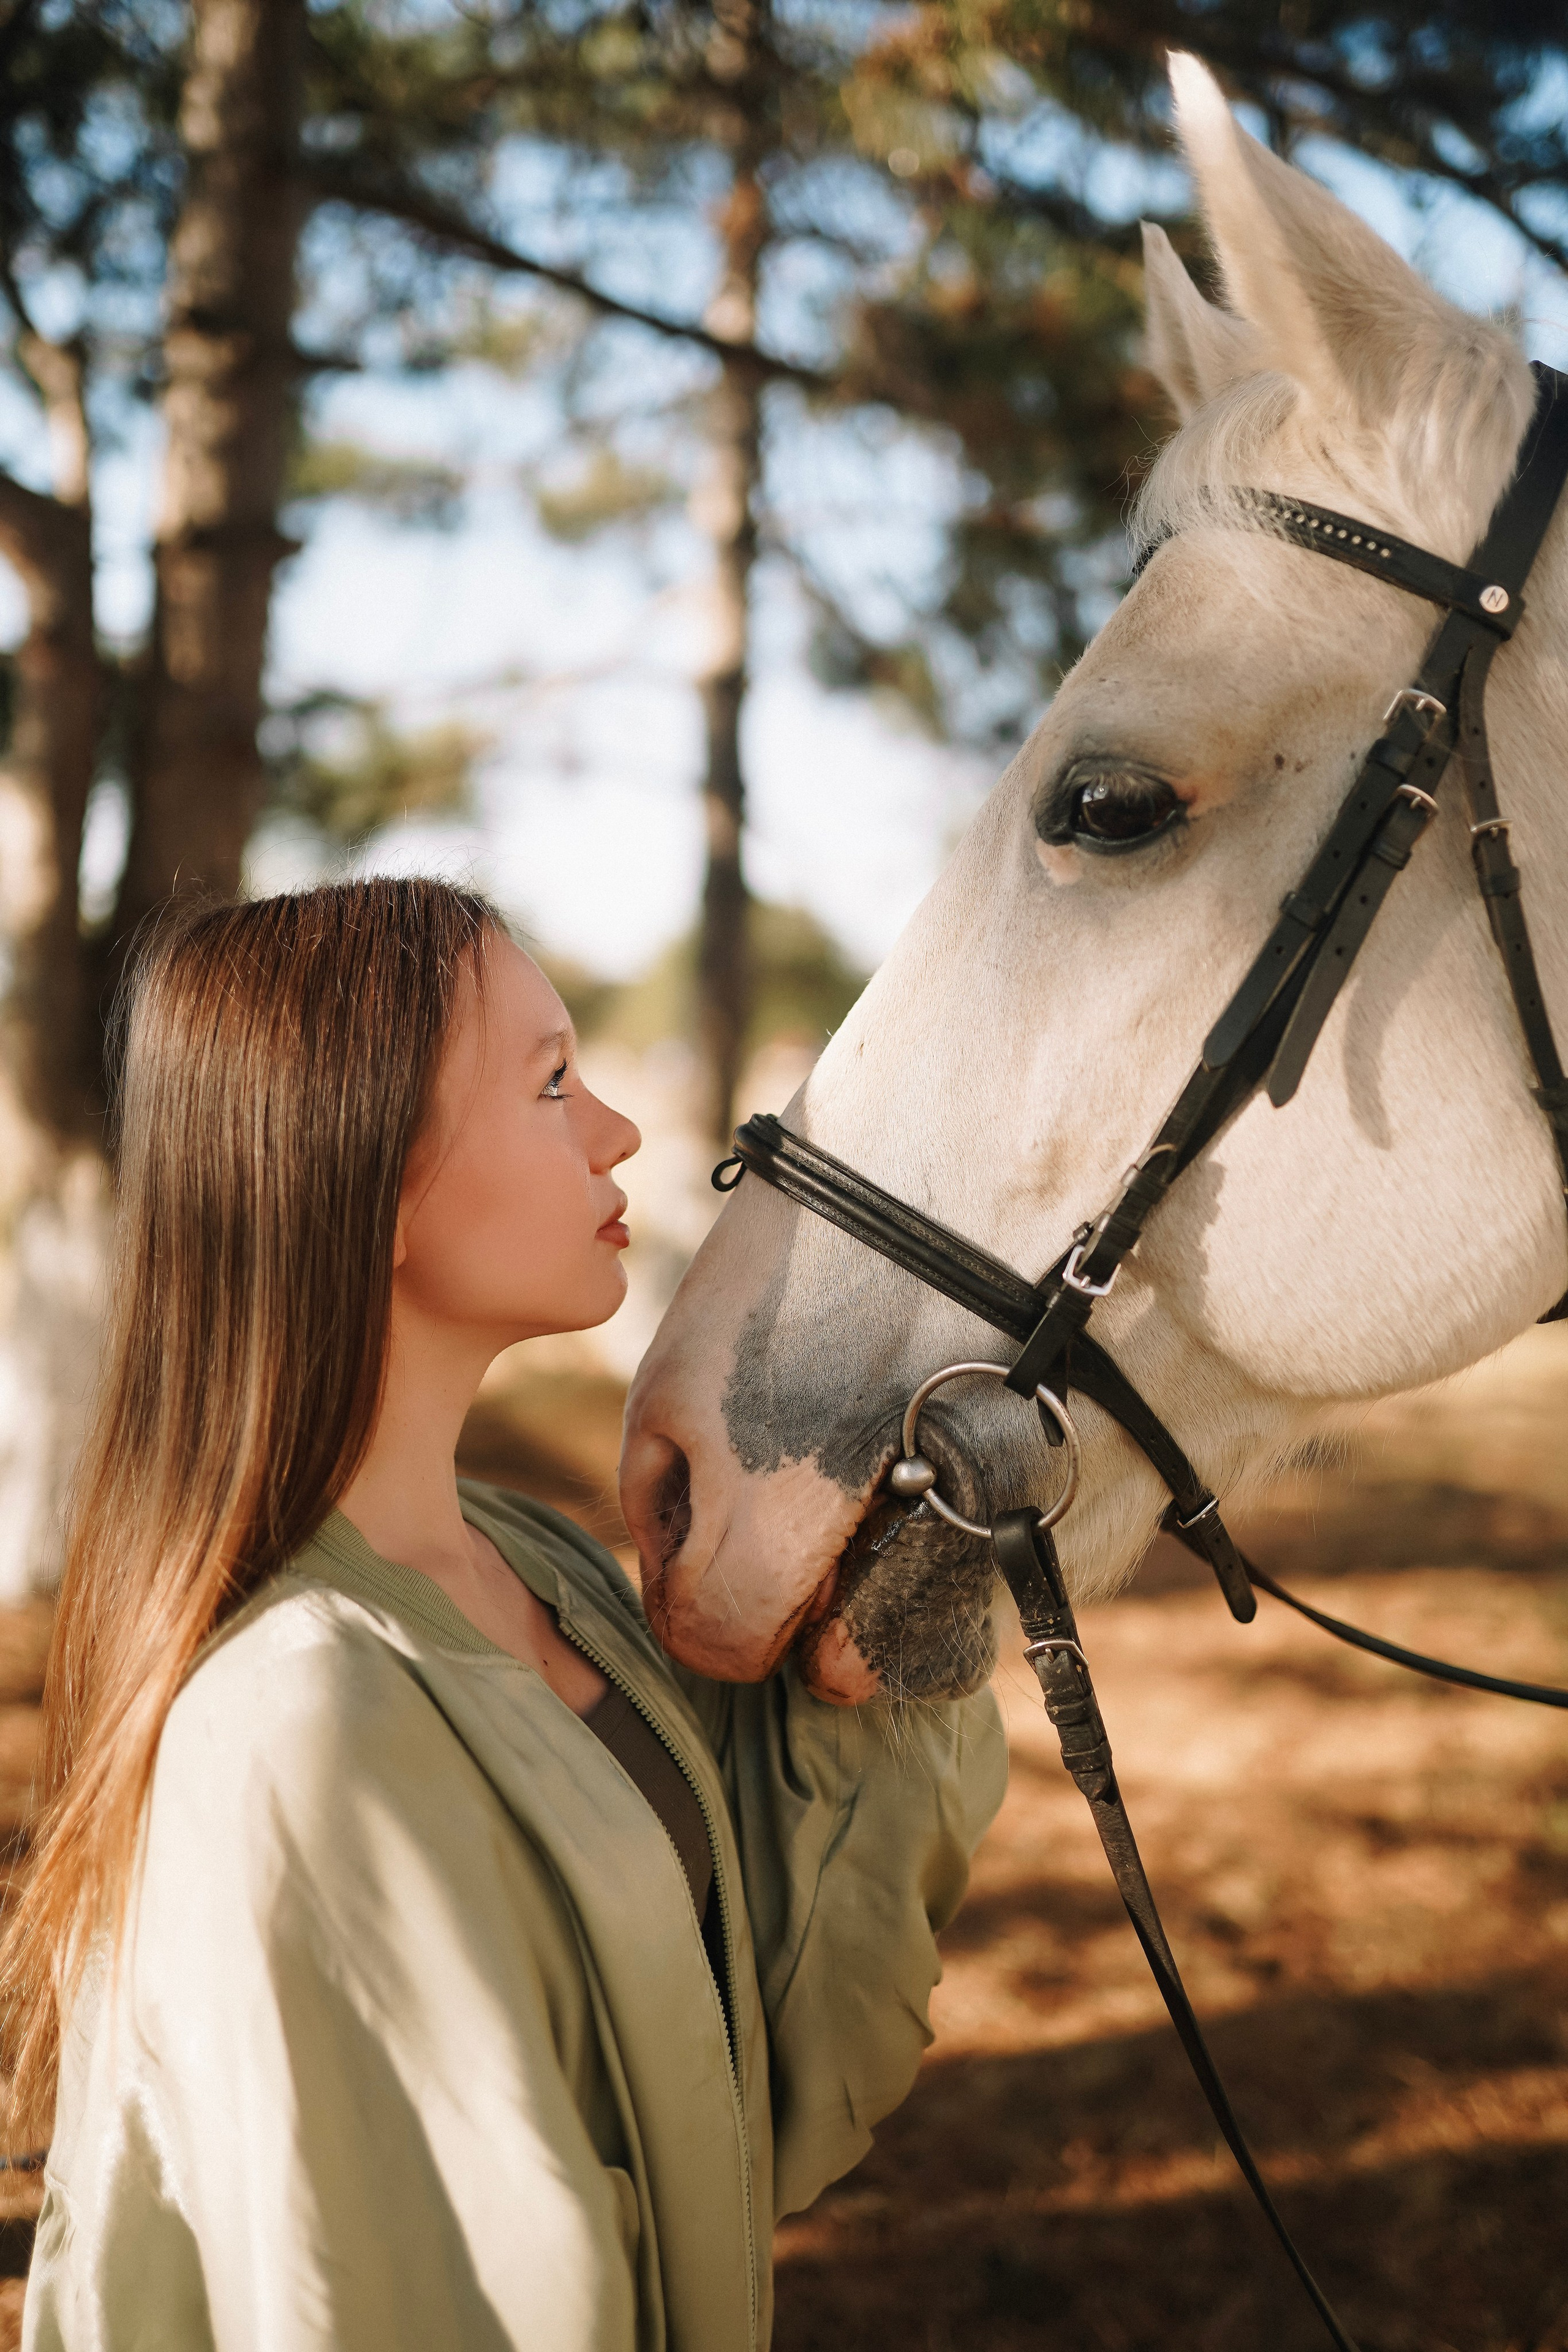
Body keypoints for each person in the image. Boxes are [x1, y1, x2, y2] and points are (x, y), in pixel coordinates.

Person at [4, 877, 1006, 2351]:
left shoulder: (537, 1568)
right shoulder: (301, 1727)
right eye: (550, 1081)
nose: (618, 1131)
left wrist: (903, 1615)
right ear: (368, 1178)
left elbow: (737, 2092)